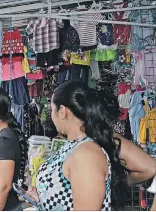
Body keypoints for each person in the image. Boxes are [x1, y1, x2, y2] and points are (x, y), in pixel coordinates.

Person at [33, 80, 128, 210]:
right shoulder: (76, 146)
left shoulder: (86, 155)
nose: (52, 116)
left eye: (52, 109)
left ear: (62, 111)